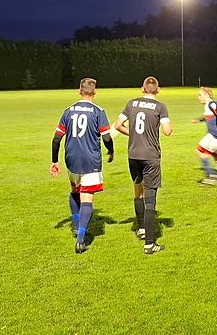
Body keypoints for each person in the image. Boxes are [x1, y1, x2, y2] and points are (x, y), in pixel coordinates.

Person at [50, 78, 114, 254]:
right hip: (90, 160)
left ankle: (76, 224)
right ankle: (80, 239)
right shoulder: (98, 112)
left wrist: (54, 161)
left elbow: (56, 139)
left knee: (74, 190)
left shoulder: (68, 111)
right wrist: (111, 151)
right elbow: (106, 137)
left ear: (79, 91)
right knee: (87, 197)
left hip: (71, 159)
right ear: (95, 92)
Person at [113, 76, 172, 254]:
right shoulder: (160, 106)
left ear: (142, 89)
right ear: (158, 90)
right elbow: (167, 131)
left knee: (138, 192)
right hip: (151, 156)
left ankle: (141, 228)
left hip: (133, 154)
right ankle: (149, 244)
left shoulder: (132, 103)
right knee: (150, 199)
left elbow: (118, 125)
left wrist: (132, 134)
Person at [192, 87, 217, 185]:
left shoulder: (211, 104)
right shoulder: (208, 105)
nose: (198, 97)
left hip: (216, 136)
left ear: (206, 95)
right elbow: (210, 115)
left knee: (199, 151)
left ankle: (211, 174)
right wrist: (199, 120)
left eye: (200, 95)